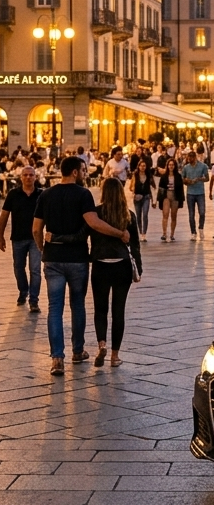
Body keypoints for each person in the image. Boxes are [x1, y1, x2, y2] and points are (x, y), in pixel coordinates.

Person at [32, 156, 130, 377]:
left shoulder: (46, 194)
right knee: (77, 305)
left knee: (55, 308)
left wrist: (42, 249)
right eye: (84, 170)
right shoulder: (83, 194)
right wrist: (120, 233)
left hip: (53, 259)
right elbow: (94, 223)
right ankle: (77, 351)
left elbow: (37, 229)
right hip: (77, 259)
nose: (86, 174)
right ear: (75, 172)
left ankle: (57, 359)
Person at [89, 178, 141, 369]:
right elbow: (135, 246)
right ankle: (114, 356)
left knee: (100, 309)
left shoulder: (96, 213)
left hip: (101, 265)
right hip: (122, 266)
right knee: (118, 311)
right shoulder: (128, 215)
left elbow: (84, 235)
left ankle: (101, 344)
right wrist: (139, 269)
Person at [0, 166, 42, 311]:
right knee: (18, 267)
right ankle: (23, 291)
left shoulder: (41, 195)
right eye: (26, 175)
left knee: (35, 269)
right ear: (21, 177)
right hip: (18, 238)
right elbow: (4, 215)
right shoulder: (13, 194)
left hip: (36, 238)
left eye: (31, 175)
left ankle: (34, 299)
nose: (28, 177)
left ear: (35, 177)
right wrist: (0, 236)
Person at [181, 149, 210, 241]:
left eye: (191, 157)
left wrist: (199, 179)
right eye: (188, 157)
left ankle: (201, 228)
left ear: (195, 157)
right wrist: (187, 181)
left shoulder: (203, 166)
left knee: (202, 212)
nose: (189, 159)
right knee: (191, 214)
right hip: (190, 193)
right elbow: (182, 179)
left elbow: (207, 178)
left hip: (200, 192)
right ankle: (193, 232)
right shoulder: (186, 167)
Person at [157, 157, 184, 241]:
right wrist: (159, 199)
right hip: (166, 195)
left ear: (175, 166)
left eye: (172, 165)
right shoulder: (164, 176)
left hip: (175, 196)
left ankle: (172, 234)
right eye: (169, 165)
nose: (171, 166)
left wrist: (181, 199)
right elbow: (160, 188)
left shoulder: (178, 176)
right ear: (167, 166)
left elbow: (181, 188)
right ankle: (164, 233)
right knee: (165, 214)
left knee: (173, 215)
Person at [128, 159, 153, 243]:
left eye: (144, 166)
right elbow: (131, 187)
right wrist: (135, 194)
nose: (142, 167)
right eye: (141, 166)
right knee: (138, 215)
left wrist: (153, 200)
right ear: (138, 166)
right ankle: (140, 231)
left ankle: (144, 234)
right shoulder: (135, 175)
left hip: (146, 196)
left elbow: (152, 187)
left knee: (145, 214)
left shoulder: (149, 175)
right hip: (137, 197)